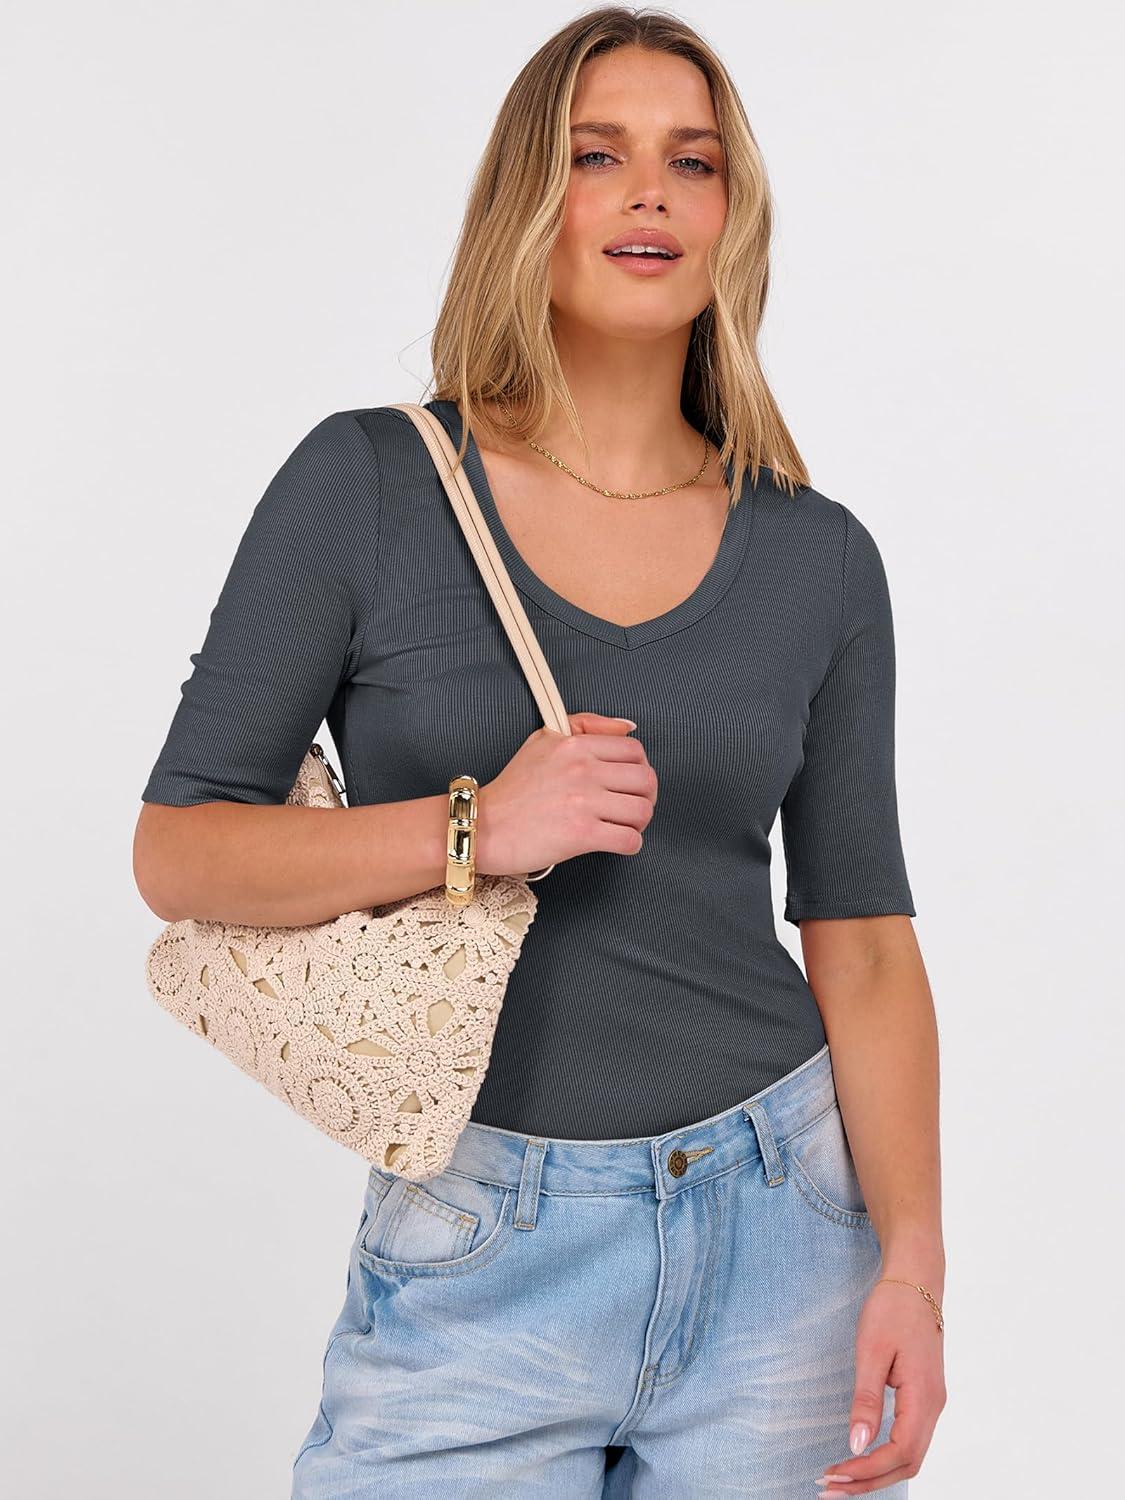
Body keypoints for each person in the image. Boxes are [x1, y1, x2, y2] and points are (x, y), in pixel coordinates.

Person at [133, 8, 946, 1496]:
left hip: (783, 1229)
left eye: (692, 161)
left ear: (730, 214)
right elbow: (179, 851)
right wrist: (473, 830)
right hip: (480, 1242)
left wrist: (912, 1267)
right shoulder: (369, 484)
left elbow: (866, 939)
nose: (649, 194)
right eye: (596, 154)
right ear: (528, 197)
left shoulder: (816, 555)